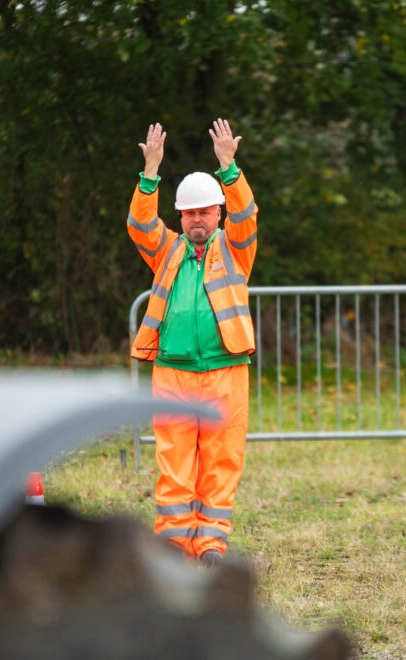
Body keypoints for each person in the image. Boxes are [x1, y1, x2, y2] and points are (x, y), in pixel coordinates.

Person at [127, 118, 258, 568]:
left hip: (225, 371)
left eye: (204, 212)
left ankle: (211, 547)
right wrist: (150, 173)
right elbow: (140, 224)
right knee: (175, 464)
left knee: (221, 463)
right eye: (189, 213)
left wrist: (230, 169)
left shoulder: (236, 249)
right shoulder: (169, 250)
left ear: (217, 213)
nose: (196, 219)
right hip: (173, 373)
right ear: (181, 217)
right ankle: (174, 547)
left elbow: (247, 216)